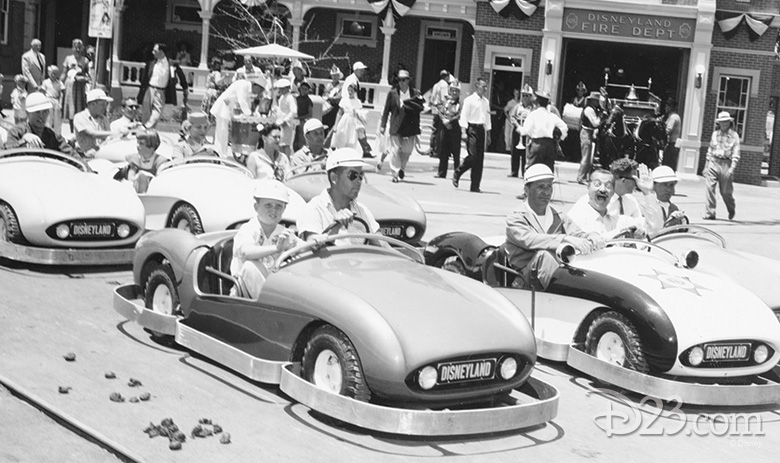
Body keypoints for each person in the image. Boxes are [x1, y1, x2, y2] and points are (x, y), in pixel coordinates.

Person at [504, 164, 602, 290]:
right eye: (540, 187)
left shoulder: (559, 216)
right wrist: (565, 239)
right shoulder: (516, 218)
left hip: (557, 275)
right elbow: (530, 240)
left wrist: (591, 236)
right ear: (527, 190)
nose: (546, 192)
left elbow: (577, 234)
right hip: (525, 281)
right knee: (544, 255)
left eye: (549, 187)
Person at [230, 179, 303, 298]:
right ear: (256, 207)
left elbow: (302, 246)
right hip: (244, 295)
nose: (273, 210)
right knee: (250, 266)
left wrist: (316, 243)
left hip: (273, 287)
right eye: (268, 205)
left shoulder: (283, 232)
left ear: (284, 209)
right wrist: (276, 248)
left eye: (278, 206)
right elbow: (246, 252)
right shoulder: (249, 228)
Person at [298, 147, 382, 246]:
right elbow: (313, 245)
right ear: (334, 178)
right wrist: (335, 226)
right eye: (353, 175)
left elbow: (383, 245)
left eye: (361, 175)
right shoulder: (313, 209)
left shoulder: (362, 211)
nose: (358, 181)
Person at [567, 169, 646, 239]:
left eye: (608, 186)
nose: (602, 189)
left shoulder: (619, 220)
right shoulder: (577, 216)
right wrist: (619, 232)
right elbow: (590, 242)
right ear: (588, 187)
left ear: (612, 192)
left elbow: (653, 230)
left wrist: (648, 193)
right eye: (597, 184)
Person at [378, 69, 424, 183]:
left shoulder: (415, 93)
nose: (401, 82)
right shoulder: (392, 93)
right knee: (394, 150)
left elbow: (421, 107)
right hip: (396, 125)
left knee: (407, 151)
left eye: (404, 80)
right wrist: (383, 125)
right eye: (399, 80)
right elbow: (386, 110)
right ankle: (395, 172)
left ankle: (402, 168)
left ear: (408, 80)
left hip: (410, 127)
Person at [209, 74, 267, 158]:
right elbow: (242, 101)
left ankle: (220, 153)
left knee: (223, 132)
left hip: (228, 108)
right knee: (222, 132)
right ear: (256, 86)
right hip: (223, 106)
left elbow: (246, 103)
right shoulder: (243, 85)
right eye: (260, 91)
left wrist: (251, 113)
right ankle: (220, 154)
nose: (258, 93)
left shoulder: (248, 89)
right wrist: (249, 114)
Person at [4, 92, 75, 155]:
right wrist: (23, 141)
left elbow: (71, 154)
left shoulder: (53, 135)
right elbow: (8, 153)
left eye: (45, 112)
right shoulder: (16, 132)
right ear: (28, 113)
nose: (41, 116)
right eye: (37, 112)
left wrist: (84, 168)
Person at [452, 77, 491, 193]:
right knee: (473, 156)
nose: (485, 89)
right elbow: (463, 116)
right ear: (477, 86)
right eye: (483, 86)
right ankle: (458, 171)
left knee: (479, 160)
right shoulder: (469, 100)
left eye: (486, 87)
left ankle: (475, 185)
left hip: (481, 130)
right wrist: (463, 132)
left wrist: (488, 134)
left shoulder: (486, 102)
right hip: (471, 129)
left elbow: (487, 118)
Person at [137, 43, 189, 129]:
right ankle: (148, 134)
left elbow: (181, 76)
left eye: (155, 50)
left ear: (161, 51)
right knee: (146, 114)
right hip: (149, 90)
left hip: (161, 92)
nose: (153, 52)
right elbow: (144, 78)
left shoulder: (171, 64)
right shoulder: (150, 63)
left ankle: (145, 127)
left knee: (156, 114)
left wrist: (185, 88)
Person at [607, 158, 664, 234]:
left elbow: (655, 228)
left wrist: (647, 192)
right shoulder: (602, 201)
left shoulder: (631, 201)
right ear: (623, 180)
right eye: (635, 179)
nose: (638, 183)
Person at [703, 111, 740, 221]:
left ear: (729, 122)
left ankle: (731, 208)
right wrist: (706, 166)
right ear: (718, 123)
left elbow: (736, 153)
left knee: (725, 192)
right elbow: (710, 150)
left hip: (726, 164)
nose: (724, 124)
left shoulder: (734, 136)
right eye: (721, 122)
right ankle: (710, 213)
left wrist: (732, 168)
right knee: (710, 188)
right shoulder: (715, 134)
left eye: (726, 122)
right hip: (714, 162)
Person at [520, 89, 568, 172]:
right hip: (549, 145)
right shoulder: (552, 116)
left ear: (537, 102)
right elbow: (564, 127)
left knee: (531, 169)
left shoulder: (533, 115)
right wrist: (560, 138)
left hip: (537, 144)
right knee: (548, 170)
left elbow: (525, 130)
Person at [341, 61, 373, 157]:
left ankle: (365, 150)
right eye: (361, 70)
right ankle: (363, 150)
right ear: (356, 70)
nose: (363, 72)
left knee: (359, 131)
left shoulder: (354, 79)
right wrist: (351, 106)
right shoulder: (352, 80)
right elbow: (348, 93)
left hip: (353, 107)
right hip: (351, 109)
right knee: (355, 131)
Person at [73, 88, 116, 157]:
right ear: (93, 104)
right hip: (85, 157)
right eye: (102, 104)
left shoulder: (104, 119)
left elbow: (108, 137)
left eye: (106, 104)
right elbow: (92, 133)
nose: (105, 107)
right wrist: (116, 132)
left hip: (102, 155)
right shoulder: (80, 117)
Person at [576, 91, 607, 184]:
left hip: (589, 132)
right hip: (586, 132)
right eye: (597, 101)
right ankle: (581, 177)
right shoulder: (589, 110)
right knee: (586, 156)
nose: (598, 103)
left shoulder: (593, 109)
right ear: (593, 101)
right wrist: (602, 117)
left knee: (589, 156)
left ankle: (585, 176)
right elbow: (595, 123)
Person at [434, 79, 462, 179]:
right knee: (443, 151)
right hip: (444, 129)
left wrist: (449, 121)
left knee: (456, 153)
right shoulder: (446, 102)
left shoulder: (460, 104)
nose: (454, 92)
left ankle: (457, 173)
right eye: (452, 90)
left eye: (456, 91)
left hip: (455, 130)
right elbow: (440, 111)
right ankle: (442, 172)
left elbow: (459, 115)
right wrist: (444, 120)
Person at [61, 38, 90, 132]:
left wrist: (85, 79)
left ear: (82, 49)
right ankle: (71, 131)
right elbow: (64, 73)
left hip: (80, 87)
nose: (77, 50)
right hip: (70, 86)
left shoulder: (85, 60)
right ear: (72, 48)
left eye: (79, 48)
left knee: (79, 109)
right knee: (71, 109)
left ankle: (78, 131)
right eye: (75, 47)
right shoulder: (68, 59)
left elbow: (88, 75)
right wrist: (59, 84)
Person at [331, 83, 368, 153]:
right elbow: (339, 113)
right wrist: (336, 125)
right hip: (345, 121)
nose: (350, 92)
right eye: (349, 90)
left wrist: (357, 113)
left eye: (352, 91)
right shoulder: (344, 100)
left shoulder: (358, 102)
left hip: (353, 122)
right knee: (342, 137)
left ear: (355, 92)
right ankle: (340, 152)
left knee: (352, 139)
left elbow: (361, 114)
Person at [508, 83, 535, 179]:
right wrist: (518, 126)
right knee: (515, 152)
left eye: (527, 95)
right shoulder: (517, 106)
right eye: (523, 95)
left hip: (527, 132)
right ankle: (514, 171)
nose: (525, 97)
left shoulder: (533, 108)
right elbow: (512, 117)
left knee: (525, 153)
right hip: (517, 130)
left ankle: (524, 172)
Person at [429, 69, 451, 158]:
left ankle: (432, 149)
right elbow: (444, 98)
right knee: (441, 130)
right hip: (441, 107)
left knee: (435, 130)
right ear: (446, 77)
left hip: (434, 107)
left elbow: (432, 98)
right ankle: (438, 150)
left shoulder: (436, 85)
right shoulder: (444, 85)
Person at [273, 78, 297, 156]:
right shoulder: (282, 97)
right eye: (281, 88)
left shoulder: (290, 97)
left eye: (284, 88)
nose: (282, 90)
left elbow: (293, 111)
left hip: (287, 124)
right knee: (281, 143)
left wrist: (286, 120)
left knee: (286, 144)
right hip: (280, 123)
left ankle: (287, 159)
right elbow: (281, 109)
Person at [40, 66, 64, 136]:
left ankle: (58, 134)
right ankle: (47, 133)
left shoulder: (59, 83)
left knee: (57, 118)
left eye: (55, 74)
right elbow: (43, 93)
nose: (53, 75)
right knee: (48, 118)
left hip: (56, 100)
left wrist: (60, 103)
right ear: (48, 73)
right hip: (48, 99)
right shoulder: (45, 82)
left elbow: (61, 94)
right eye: (51, 73)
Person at [321, 65, 343, 137]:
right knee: (324, 125)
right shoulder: (328, 85)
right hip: (326, 109)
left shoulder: (341, 86)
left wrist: (330, 98)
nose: (334, 77)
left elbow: (339, 97)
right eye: (333, 75)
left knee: (332, 126)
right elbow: (324, 94)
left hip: (334, 109)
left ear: (339, 76)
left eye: (336, 75)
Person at [663, 97, 682, 171]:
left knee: (668, 165)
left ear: (670, 107)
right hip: (672, 145)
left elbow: (668, 130)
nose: (665, 108)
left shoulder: (673, 117)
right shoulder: (673, 116)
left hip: (672, 145)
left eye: (667, 106)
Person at [293, 81, 313, 151]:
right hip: (295, 120)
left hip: (303, 120)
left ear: (308, 91)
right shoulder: (297, 99)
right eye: (302, 89)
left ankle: (302, 150)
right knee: (295, 137)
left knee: (301, 138)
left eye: (305, 89)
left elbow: (310, 114)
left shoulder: (308, 101)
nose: (303, 91)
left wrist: (300, 118)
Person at [503, 87, 522, 160]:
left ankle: (512, 150)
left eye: (518, 93)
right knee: (507, 135)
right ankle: (508, 150)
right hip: (509, 120)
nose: (517, 94)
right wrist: (508, 118)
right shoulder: (511, 102)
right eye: (516, 93)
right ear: (514, 93)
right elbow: (505, 110)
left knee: (512, 136)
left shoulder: (520, 103)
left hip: (516, 121)